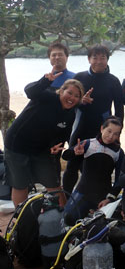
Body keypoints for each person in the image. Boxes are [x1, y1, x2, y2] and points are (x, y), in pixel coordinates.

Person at [4, 75, 84, 207]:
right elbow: (29, 91)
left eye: (76, 96)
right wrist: (45, 80)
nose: (71, 98)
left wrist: (60, 148)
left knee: (54, 183)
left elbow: (62, 137)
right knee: (20, 184)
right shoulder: (47, 96)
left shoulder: (70, 114)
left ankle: (62, 218)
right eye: (69, 93)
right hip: (17, 144)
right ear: (61, 91)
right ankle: (21, 219)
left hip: (41, 149)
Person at [62, 44, 124, 195]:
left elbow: (119, 109)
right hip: (81, 127)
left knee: (99, 167)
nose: (98, 61)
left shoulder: (113, 81)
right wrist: (81, 102)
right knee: (72, 165)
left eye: (102, 57)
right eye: (94, 57)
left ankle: (97, 198)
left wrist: (116, 133)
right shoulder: (80, 78)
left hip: (102, 130)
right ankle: (66, 199)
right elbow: (68, 103)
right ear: (89, 59)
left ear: (107, 60)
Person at [62, 116, 124, 226]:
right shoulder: (88, 144)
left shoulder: (118, 152)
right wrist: (75, 153)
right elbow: (65, 156)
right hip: (83, 192)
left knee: (114, 224)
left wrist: (109, 199)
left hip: (103, 196)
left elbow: (120, 179)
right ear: (102, 129)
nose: (111, 136)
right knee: (67, 219)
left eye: (115, 134)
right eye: (109, 131)